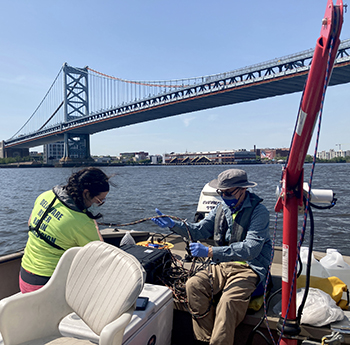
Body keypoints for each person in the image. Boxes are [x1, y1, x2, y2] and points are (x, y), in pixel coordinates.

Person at [152, 168, 272, 345]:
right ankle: (206, 340)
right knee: (193, 285)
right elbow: (199, 230)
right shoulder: (220, 208)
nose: (224, 196)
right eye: (221, 192)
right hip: (221, 264)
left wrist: (209, 252)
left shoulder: (259, 212)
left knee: (228, 302)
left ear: (243, 190)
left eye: (228, 193)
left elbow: (251, 248)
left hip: (248, 267)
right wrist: (173, 225)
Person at [19, 167, 111, 293]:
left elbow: (30, 223)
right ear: (86, 193)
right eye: (99, 200)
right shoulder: (83, 222)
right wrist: (94, 226)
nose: (99, 204)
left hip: (25, 277)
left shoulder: (45, 195)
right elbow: (99, 256)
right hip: (47, 286)